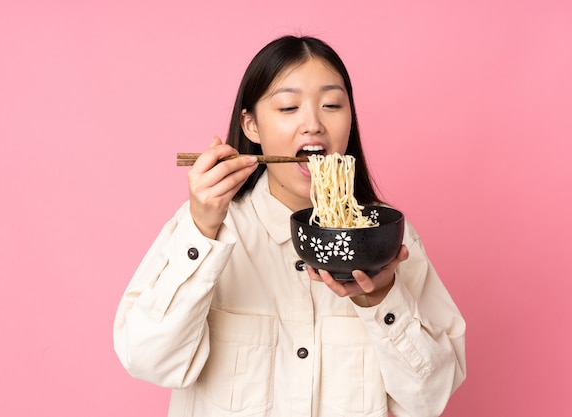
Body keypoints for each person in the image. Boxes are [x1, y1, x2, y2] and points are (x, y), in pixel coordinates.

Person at [113, 35, 466, 417]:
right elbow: (148, 360)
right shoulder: (210, 228)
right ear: (250, 126)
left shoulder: (384, 237)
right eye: (288, 107)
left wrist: (383, 299)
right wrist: (201, 231)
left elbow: (431, 398)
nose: (312, 123)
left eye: (332, 105)